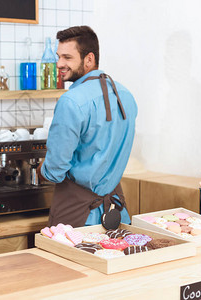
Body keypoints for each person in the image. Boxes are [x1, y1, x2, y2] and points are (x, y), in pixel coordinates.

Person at [38, 26, 138, 227]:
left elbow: (56, 170)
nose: (59, 64)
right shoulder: (126, 95)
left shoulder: (71, 101)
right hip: (116, 212)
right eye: (59, 57)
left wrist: (41, 169)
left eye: (67, 57)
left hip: (77, 217)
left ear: (89, 59)